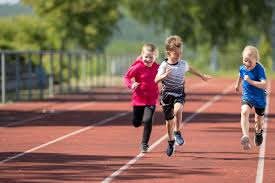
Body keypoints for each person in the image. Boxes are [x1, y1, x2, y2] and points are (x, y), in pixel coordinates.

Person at [155, 35, 212, 157]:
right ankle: (170, 142)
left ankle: (177, 132)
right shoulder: (164, 66)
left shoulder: (183, 64)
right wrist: (163, 76)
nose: (179, 55)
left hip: (179, 93)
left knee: (178, 109)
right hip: (166, 96)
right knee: (169, 122)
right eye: (176, 53)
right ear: (168, 53)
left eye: (180, 53)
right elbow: (156, 80)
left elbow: (190, 69)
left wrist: (202, 76)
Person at [123, 43, 160, 153]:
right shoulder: (138, 67)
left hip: (152, 99)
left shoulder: (158, 68)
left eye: (151, 57)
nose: (148, 60)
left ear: (155, 57)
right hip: (138, 99)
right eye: (146, 57)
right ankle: (139, 122)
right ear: (142, 56)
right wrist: (131, 85)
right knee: (136, 123)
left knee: (148, 121)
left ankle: (144, 144)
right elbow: (126, 77)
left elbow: (166, 76)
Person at [235, 45, 267, 150]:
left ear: (256, 60)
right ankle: (246, 136)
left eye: (250, 62)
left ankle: (258, 132)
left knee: (258, 121)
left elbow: (264, 84)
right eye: (245, 61)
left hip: (259, 98)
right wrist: (238, 84)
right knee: (244, 112)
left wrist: (250, 81)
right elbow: (241, 73)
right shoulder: (242, 68)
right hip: (247, 95)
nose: (247, 64)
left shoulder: (259, 69)